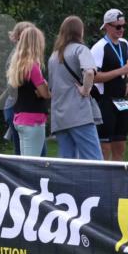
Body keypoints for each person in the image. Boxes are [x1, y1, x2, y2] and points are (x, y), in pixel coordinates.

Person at [47, 15, 103, 160]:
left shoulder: (53, 56)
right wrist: (85, 90)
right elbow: (90, 72)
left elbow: (51, 87)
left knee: (68, 162)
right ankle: (98, 184)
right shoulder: (80, 49)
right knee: (94, 159)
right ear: (80, 31)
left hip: (59, 116)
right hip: (79, 114)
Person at [91, 9, 128, 160]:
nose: (121, 30)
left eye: (123, 26)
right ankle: (103, 181)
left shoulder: (124, 43)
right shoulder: (99, 48)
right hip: (105, 102)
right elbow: (94, 77)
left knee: (120, 146)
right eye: (118, 27)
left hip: (121, 101)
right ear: (107, 26)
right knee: (105, 148)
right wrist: (120, 71)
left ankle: (117, 182)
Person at [6, 25, 50, 156]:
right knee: (33, 164)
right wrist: (44, 87)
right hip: (33, 120)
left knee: (25, 162)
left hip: (20, 118)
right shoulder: (33, 66)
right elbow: (45, 93)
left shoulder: (18, 64)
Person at [0, 21, 36, 155]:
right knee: (27, 153)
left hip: (15, 107)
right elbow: (14, 86)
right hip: (18, 108)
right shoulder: (20, 56)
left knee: (24, 152)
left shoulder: (21, 55)